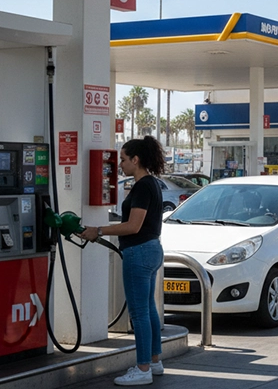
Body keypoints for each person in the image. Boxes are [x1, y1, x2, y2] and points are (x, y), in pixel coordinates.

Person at [80, 136, 166, 386]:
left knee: (138, 313)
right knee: (148, 308)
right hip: (152, 249)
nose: (121, 165)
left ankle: (142, 369)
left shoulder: (141, 187)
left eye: (124, 159)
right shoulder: (153, 184)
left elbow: (133, 226)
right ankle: (154, 361)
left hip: (138, 252)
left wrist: (98, 230)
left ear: (136, 160)